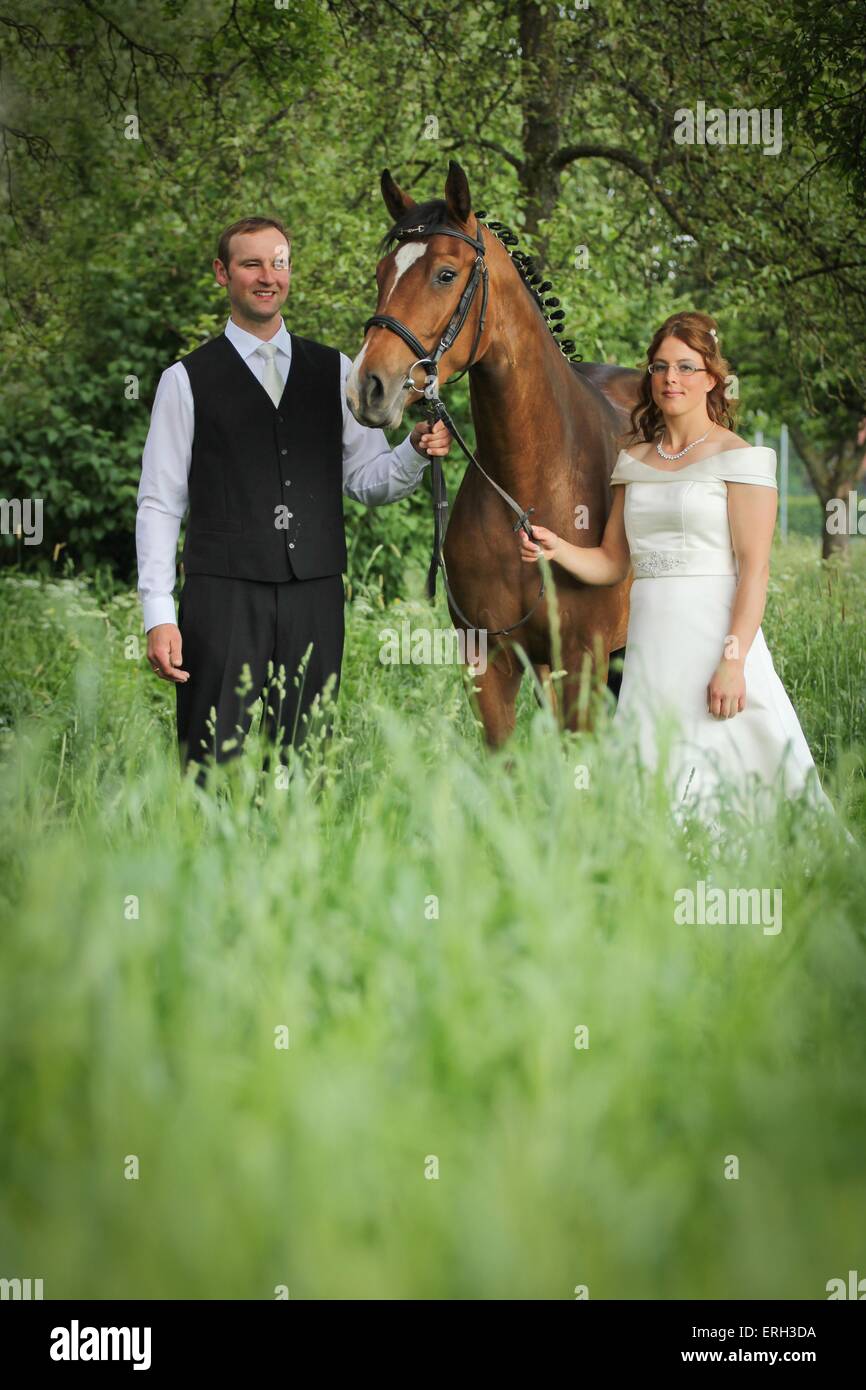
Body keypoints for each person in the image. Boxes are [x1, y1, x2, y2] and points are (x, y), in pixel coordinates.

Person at [136, 215, 450, 776]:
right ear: (222, 273)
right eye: (250, 263)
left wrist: (414, 452)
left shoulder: (336, 370)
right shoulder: (184, 380)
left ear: (289, 272)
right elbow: (160, 503)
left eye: (276, 263)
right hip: (221, 597)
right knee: (210, 764)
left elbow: (366, 479)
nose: (266, 276)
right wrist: (158, 612)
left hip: (315, 595)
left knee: (302, 765)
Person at [519, 310, 832, 818]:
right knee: (653, 775)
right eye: (660, 367)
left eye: (686, 367)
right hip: (650, 651)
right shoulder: (634, 461)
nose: (671, 379)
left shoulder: (741, 458)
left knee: (733, 771)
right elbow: (612, 562)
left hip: (715, 641)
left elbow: (755, 571)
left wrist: (732, 662)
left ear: (712, 378)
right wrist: (557, 548)